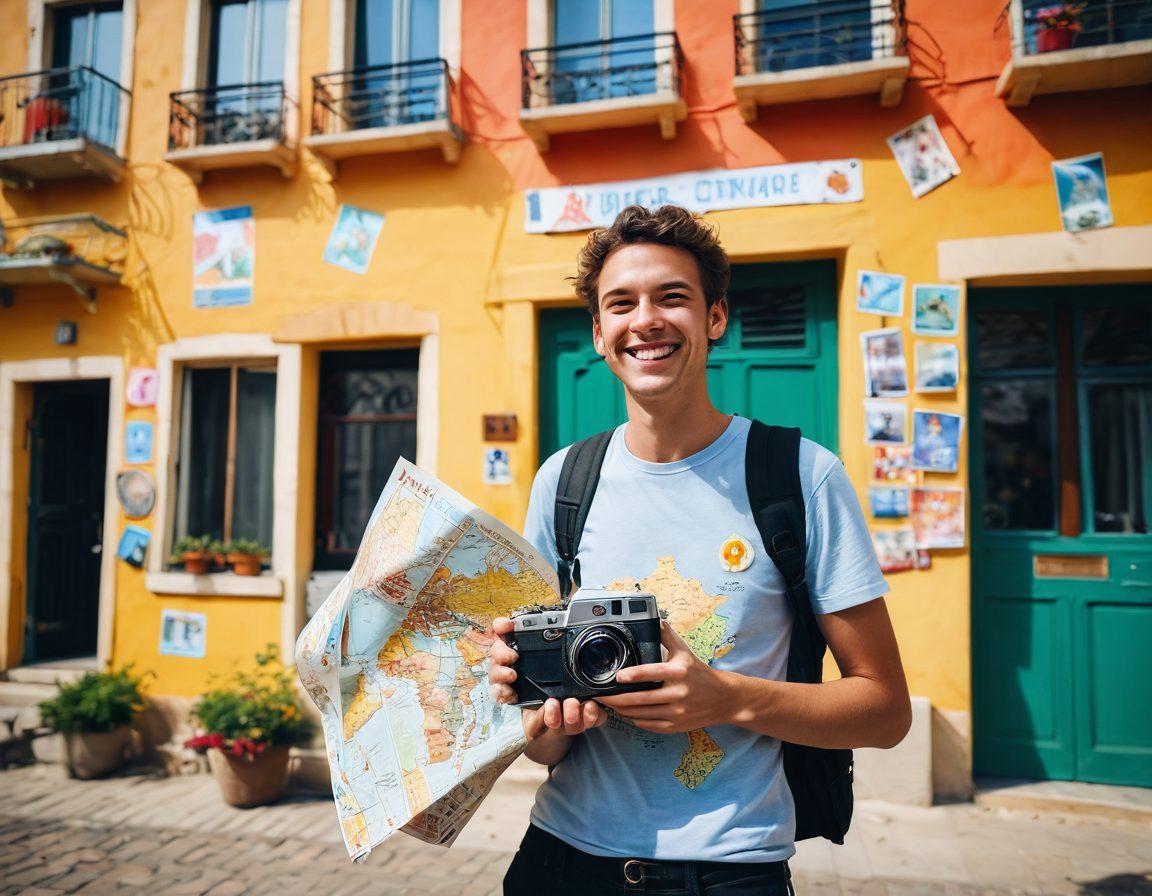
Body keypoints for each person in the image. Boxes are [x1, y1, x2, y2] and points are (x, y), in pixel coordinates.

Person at [488, 205, 911, 895]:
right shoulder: (562, 482)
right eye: (621, 303)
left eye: (672, 298)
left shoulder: (801, 476)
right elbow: (544, 746)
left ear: (715, 318)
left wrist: (727, 699)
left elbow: (887, 711)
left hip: (729, 871)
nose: (645, 320)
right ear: (599, 333)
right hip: (560, 858)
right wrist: (546, 715)